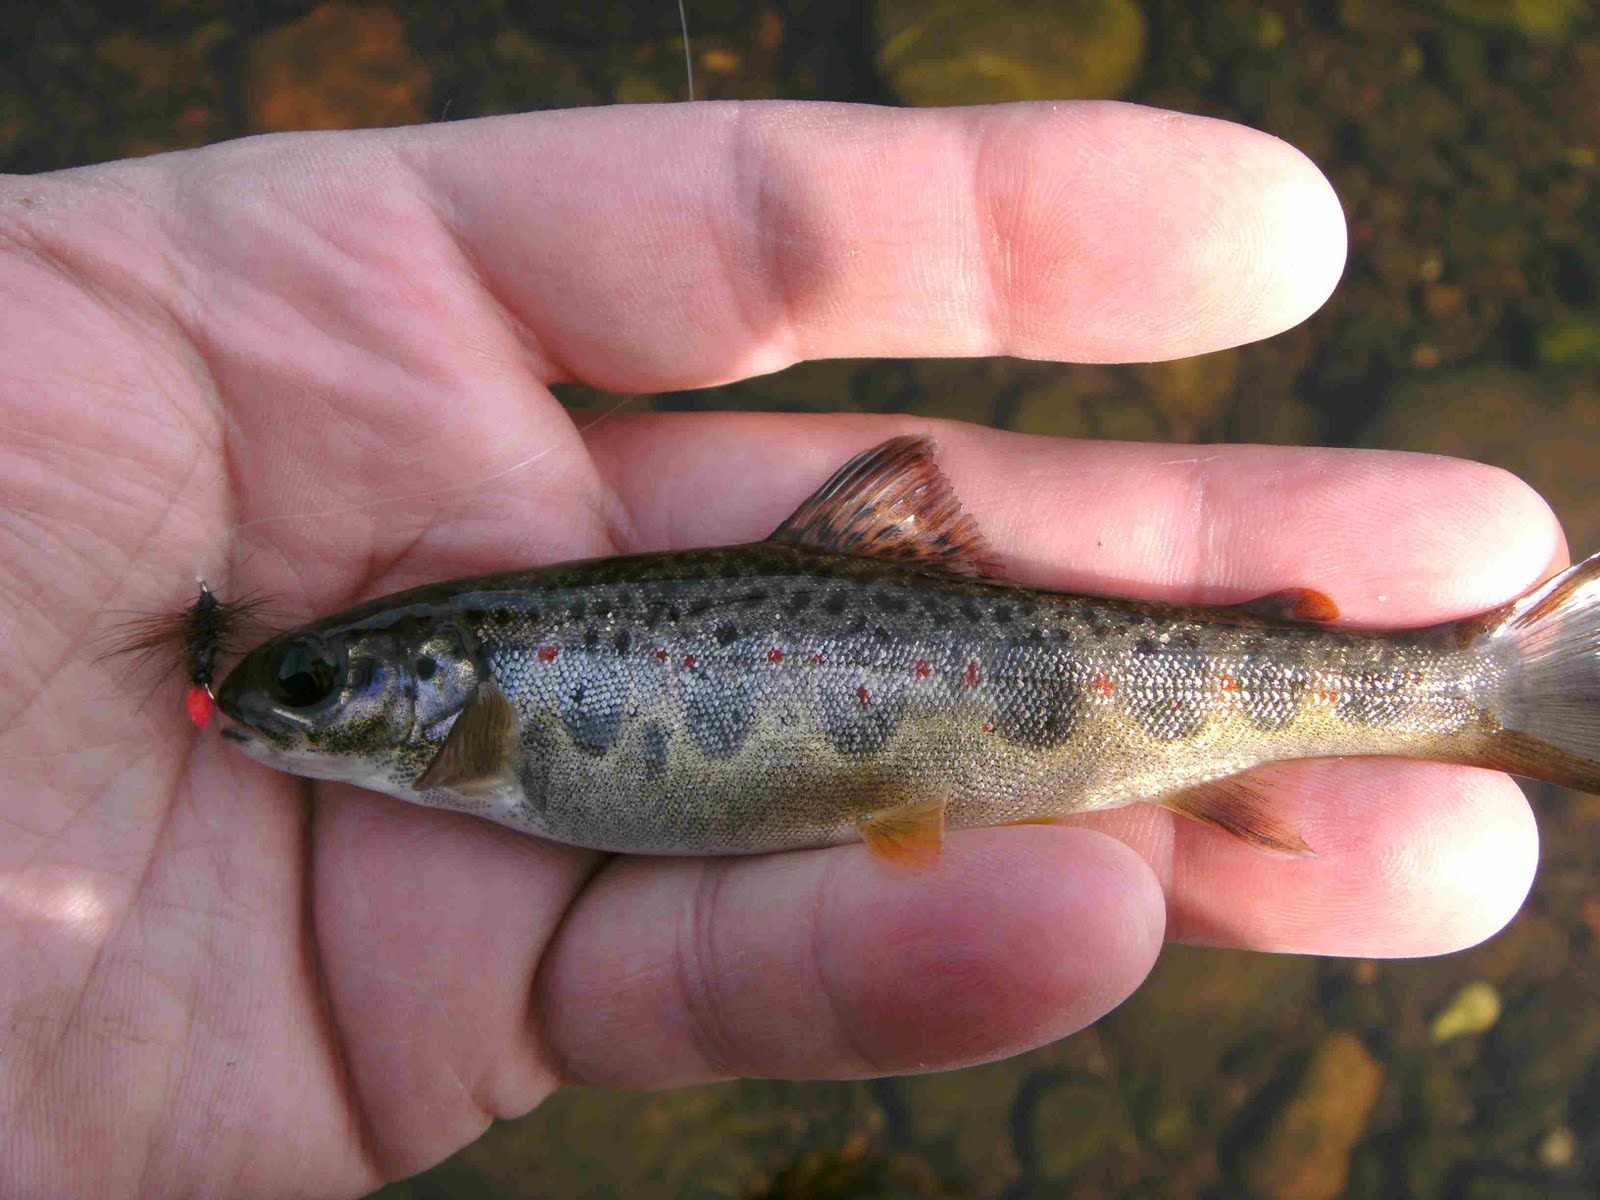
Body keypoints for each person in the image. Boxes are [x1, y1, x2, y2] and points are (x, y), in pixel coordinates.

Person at [0, 100, 1558, 1198]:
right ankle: (1483, 691)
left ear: (435, 692)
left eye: (320, 687)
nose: (283, 704)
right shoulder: (484, 708)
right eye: (311, 684)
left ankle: (1484, 690)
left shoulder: (486, 713)